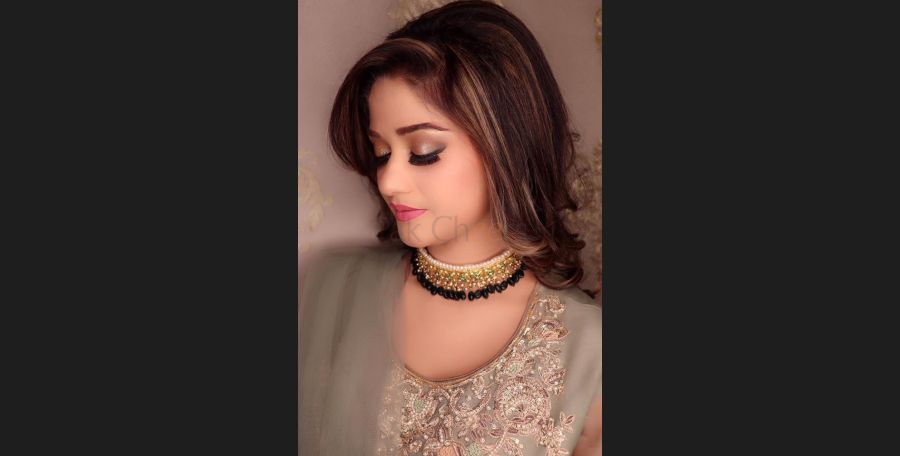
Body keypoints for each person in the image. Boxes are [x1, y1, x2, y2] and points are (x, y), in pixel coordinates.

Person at [299, 1, 601, 454]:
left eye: (423, 152)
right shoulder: (335, 290)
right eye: (381, 153)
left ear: (507, 147)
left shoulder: (587, 352)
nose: (388, 180)